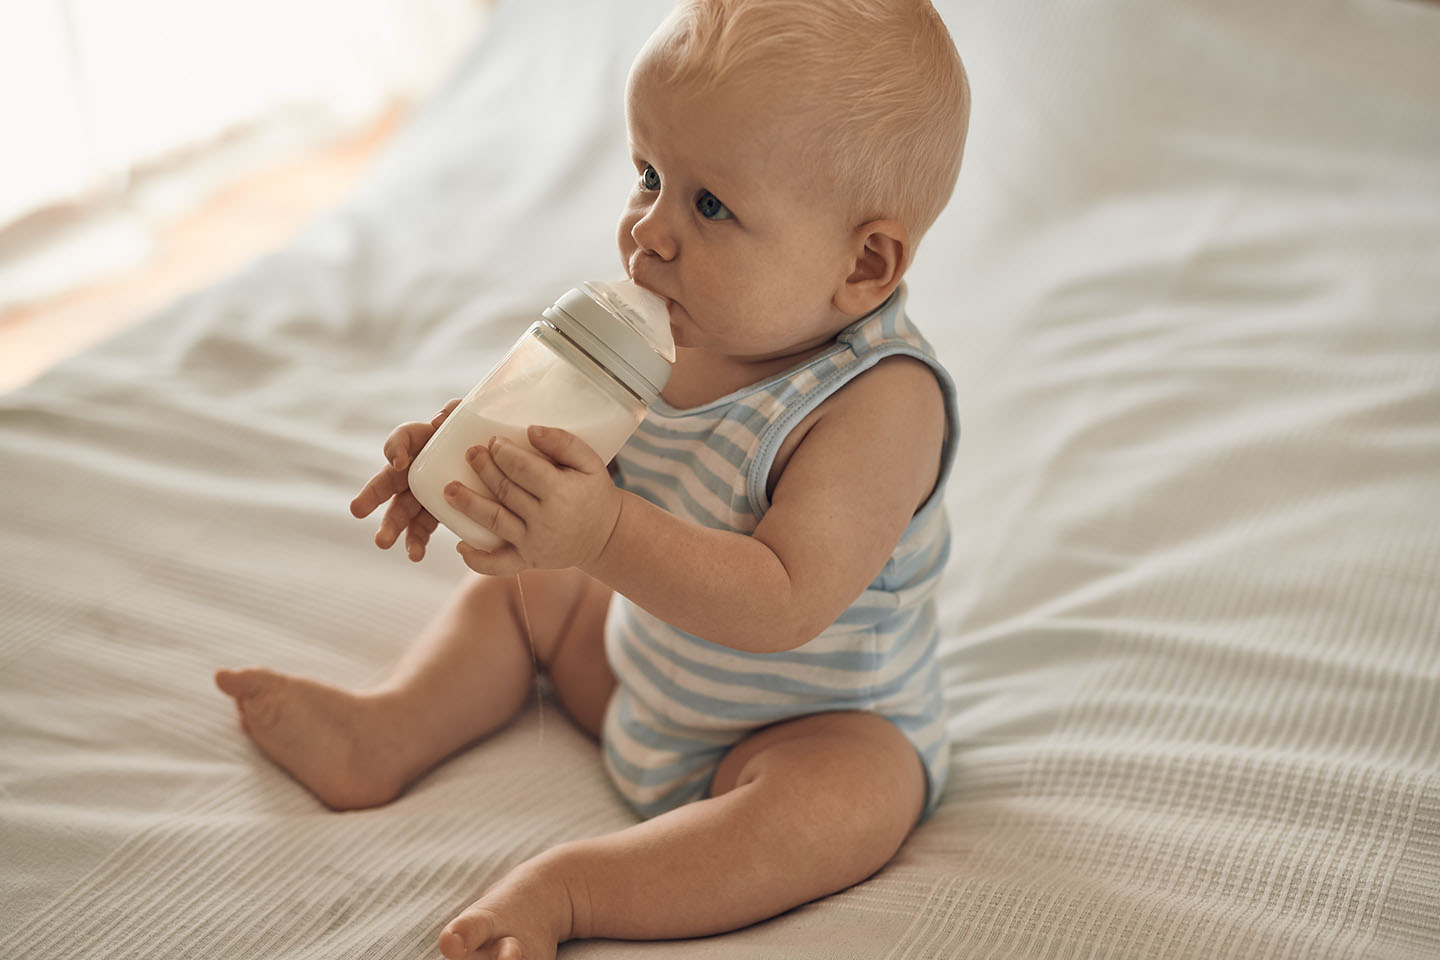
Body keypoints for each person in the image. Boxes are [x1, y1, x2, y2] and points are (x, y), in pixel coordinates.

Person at [216, 1, 969, 956]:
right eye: (649, 176)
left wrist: (606, 533)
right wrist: (456, 465)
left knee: (855, 801)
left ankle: (570, 889)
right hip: (632, 674)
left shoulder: (881, 404)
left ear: (864, 263)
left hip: (794, 731)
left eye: (709, 205)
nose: (647, 233)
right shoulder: (669, 320)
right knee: (534, 586)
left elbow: (785, 603)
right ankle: (388, 732)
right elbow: (549, 456)